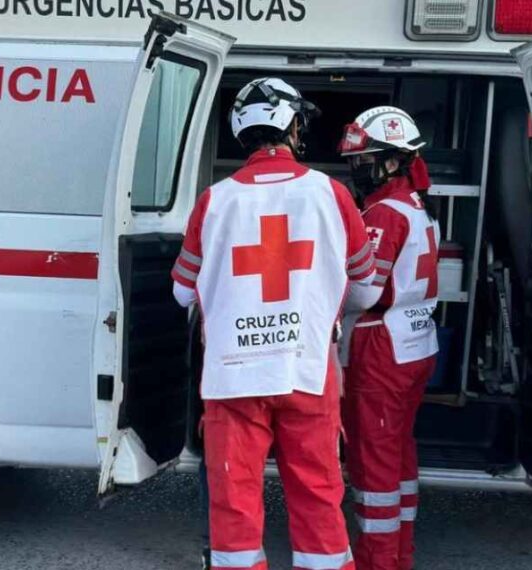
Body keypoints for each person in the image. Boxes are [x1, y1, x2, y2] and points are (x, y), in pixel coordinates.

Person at [171, 77, 375, 570]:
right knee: (318, 498)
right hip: (307, 372)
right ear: (292, 126)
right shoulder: (332, 194)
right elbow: (367, 289)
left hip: (233, 378)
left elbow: (182, 292)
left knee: (235, 508)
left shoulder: (214, 200)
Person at [336, 106, 440, 570]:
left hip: (380, 346)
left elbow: (363, 292)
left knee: (373, 461)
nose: (357, 170)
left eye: (365, 161)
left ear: (394, 160)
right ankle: (401, 555)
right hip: (416, 341)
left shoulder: (381, 213)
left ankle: (378, 561)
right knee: (398, 455)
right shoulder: (416, 205)